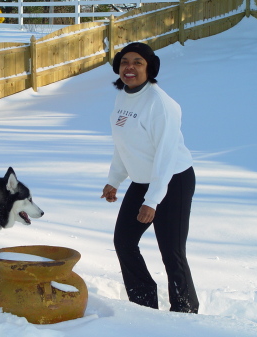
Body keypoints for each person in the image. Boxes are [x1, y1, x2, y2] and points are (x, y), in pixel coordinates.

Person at [101, 42, 199, 313]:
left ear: (150, 68)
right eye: (124, 62)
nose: (129, 67)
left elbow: (165, 156)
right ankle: (143, 305)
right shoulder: (124, 95)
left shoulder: (161, 104)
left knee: (172, 252)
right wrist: (115, 179)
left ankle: (186, 312)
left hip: (173, 180)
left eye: (137, 62)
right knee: (124, 241)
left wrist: (153, 200)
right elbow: (124, 142)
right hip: (144, 180)